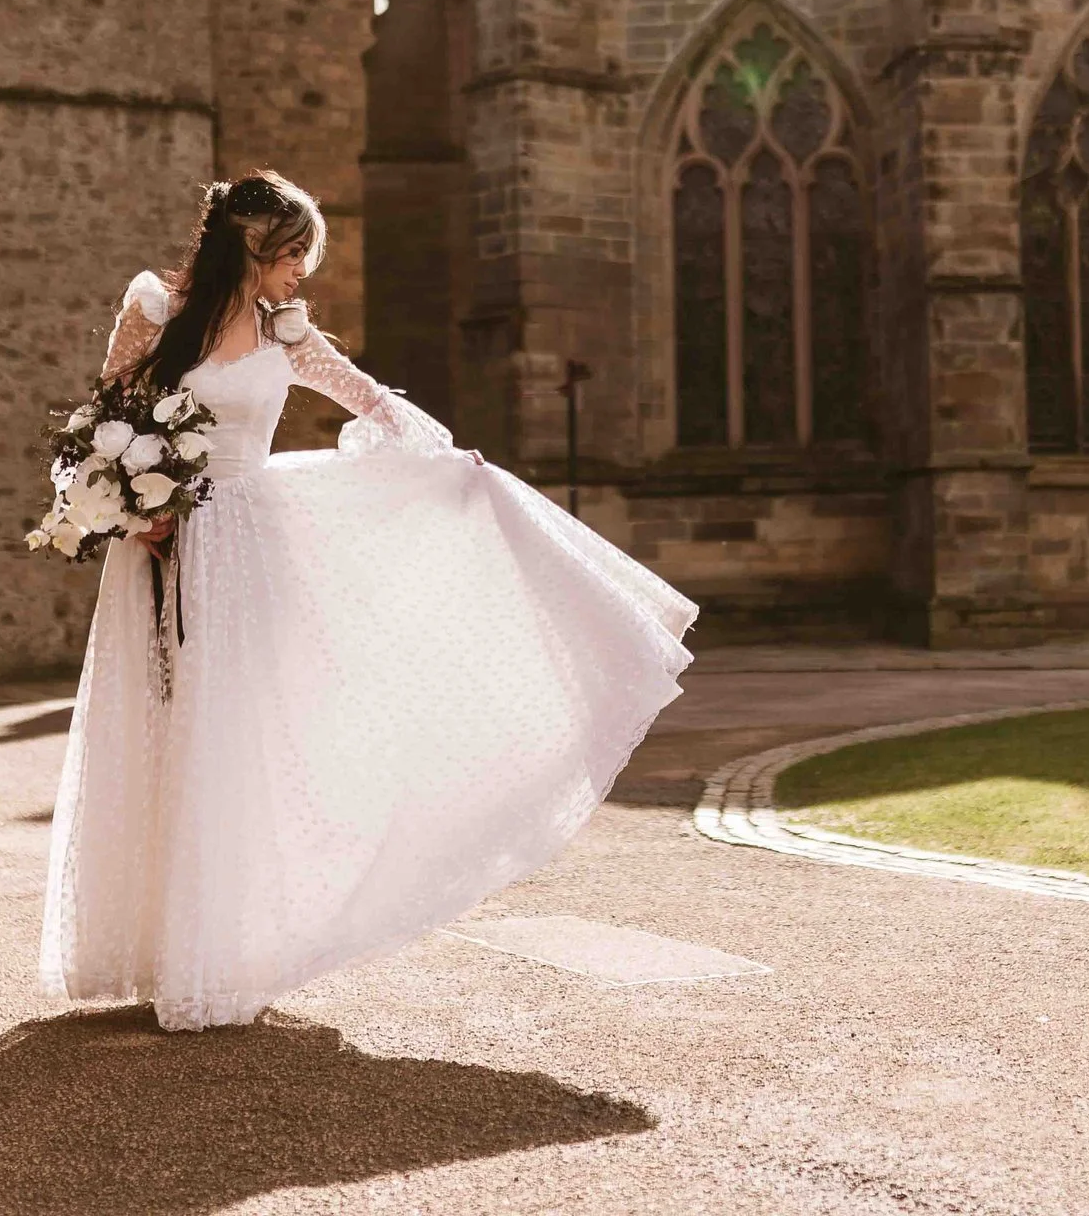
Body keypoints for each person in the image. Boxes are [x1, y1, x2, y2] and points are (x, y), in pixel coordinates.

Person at [39, 172, 696, 1032]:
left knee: (240, 743)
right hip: (169, 548)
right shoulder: (156, 308)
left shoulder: (287, 329)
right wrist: (135, 508)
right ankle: (164, 947)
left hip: (253, 552)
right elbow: (105, 417)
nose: (303, 270)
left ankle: (219, 953)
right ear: (252, 245)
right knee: (170, 734)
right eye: (294, 253)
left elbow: (369, 398)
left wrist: (439, 464)